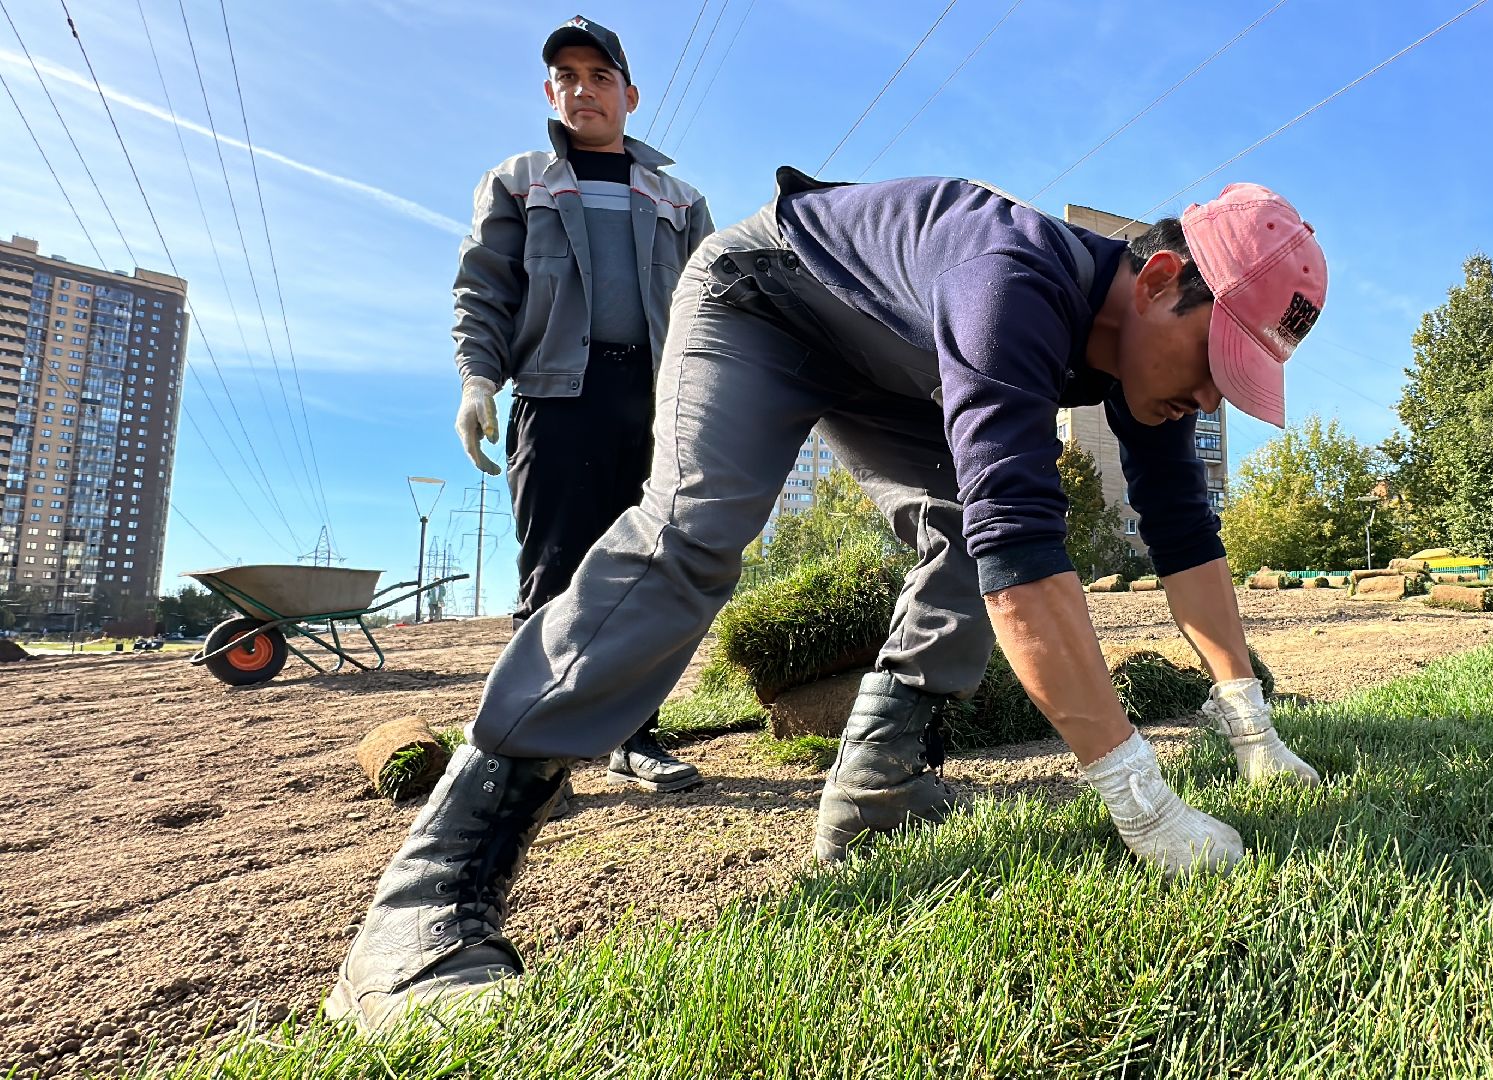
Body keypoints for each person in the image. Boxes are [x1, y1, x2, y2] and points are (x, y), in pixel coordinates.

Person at [327, 171, 1327, 1031]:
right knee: (694, 531)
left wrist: (1249, 719)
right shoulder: (1009, 280)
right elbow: (1023, 558)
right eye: (1213, 365)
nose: (1211, 399)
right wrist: (1143, 802)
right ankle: (424, 907)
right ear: (1157, 280)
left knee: (963, 529)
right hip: (765, 295)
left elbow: (1185, 537)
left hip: (886, 360)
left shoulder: (1146, 362)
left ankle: (878, 791)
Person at [451, 15, 713, 792]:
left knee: (647, 572)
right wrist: (476, 379)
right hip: (555, 398)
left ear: (630, 95)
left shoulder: (679, 200)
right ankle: (534, 760)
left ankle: (635, 735)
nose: (584, 89)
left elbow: (711, 308)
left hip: (657, 404)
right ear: (549, 92)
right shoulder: (519, 181)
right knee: (554, 573)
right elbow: (483, 291)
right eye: (568, 76)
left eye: (600, 76)